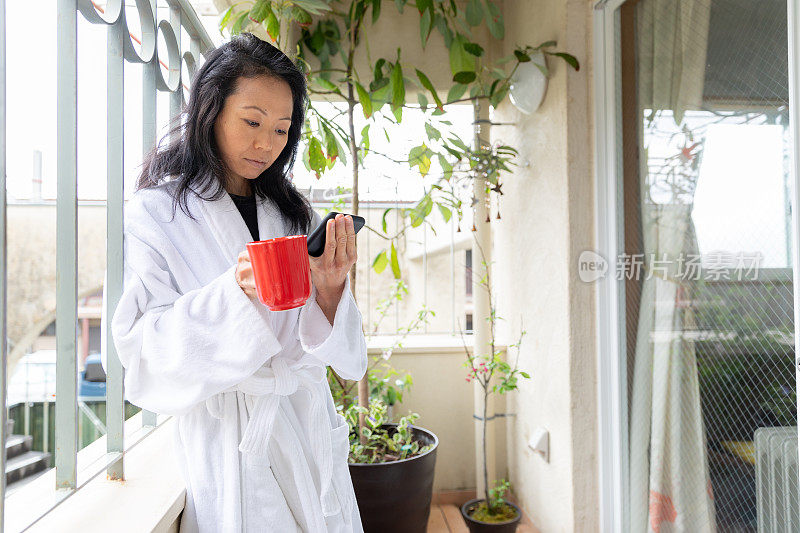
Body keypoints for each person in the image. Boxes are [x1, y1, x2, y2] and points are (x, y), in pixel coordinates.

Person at [101, 33, 367, 532]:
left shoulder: (291, 212)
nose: (266, 144)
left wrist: (330, 288)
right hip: (231, 437)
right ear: (210, 110)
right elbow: (141, 349)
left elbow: (327, 351)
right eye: (252, 122)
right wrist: (234, 294)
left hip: (304, 424)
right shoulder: (157, 213)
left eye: (282, 130)